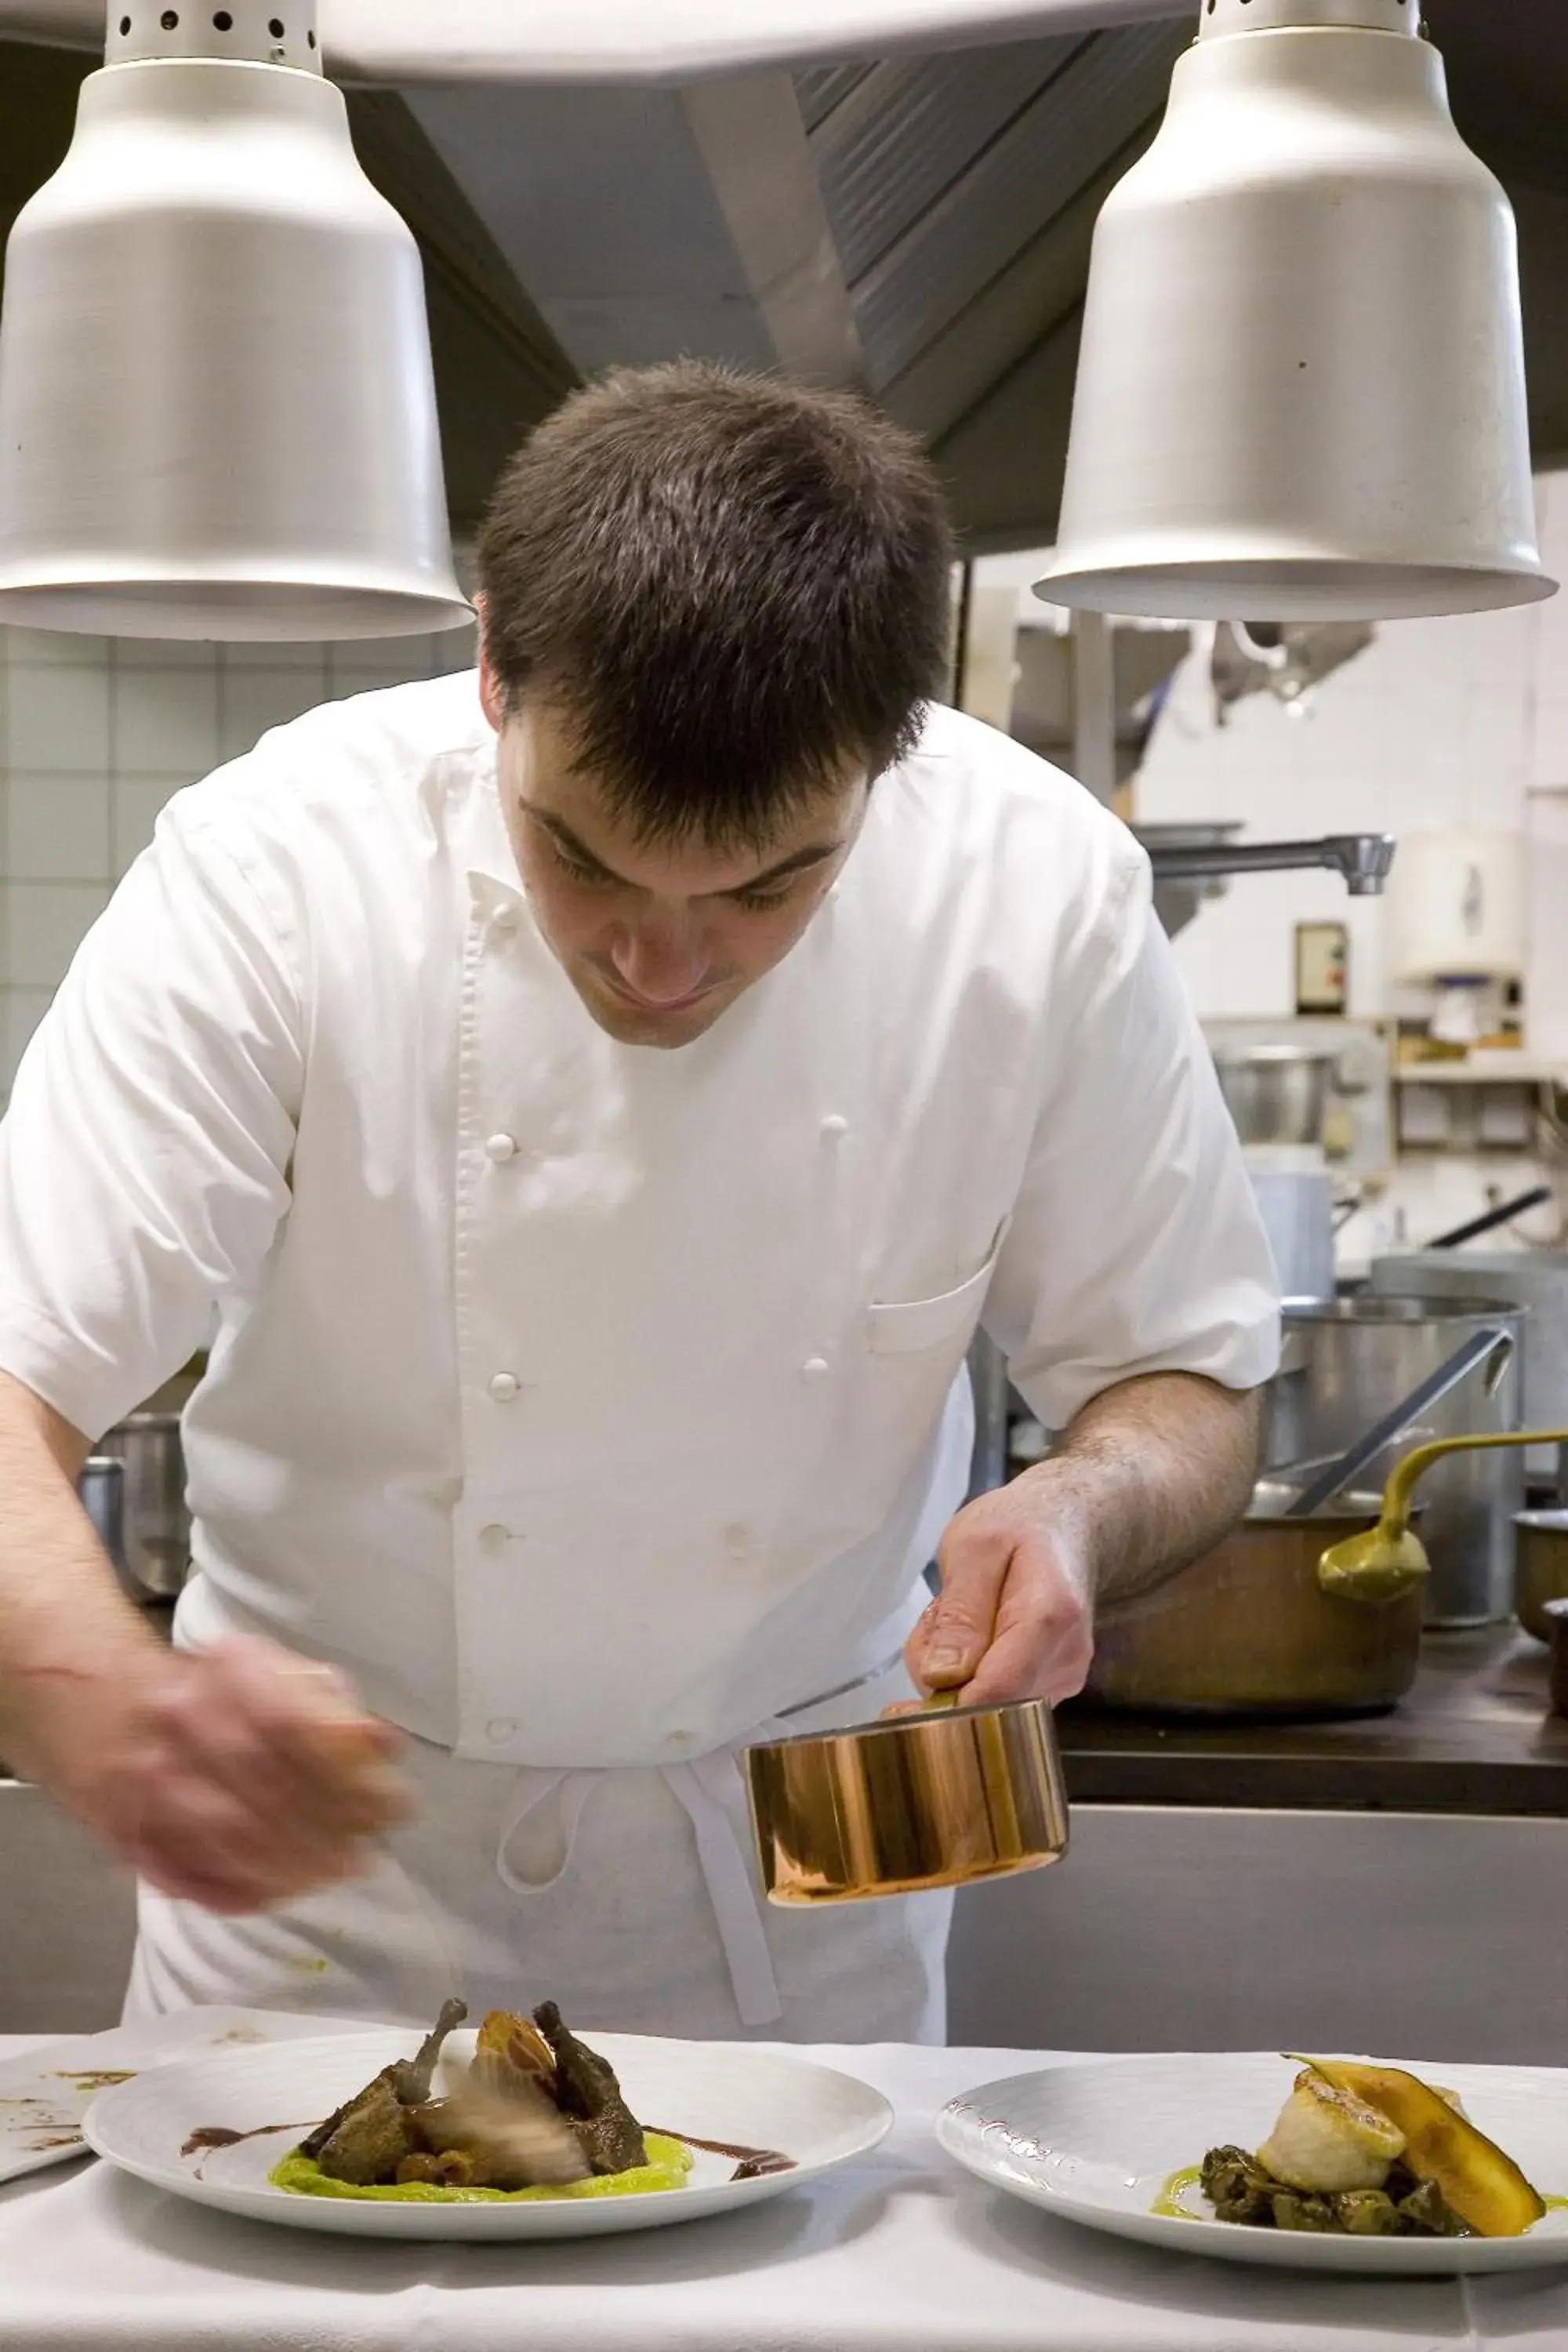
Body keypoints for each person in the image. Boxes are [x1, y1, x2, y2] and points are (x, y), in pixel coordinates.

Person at [0, 361, 1278, 2042]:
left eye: (767, 885)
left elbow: (1185, 1383)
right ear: (488, 673)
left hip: (797, 1899)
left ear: (892, 763)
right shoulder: (275, 867)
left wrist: (1085, 1510)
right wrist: (102, 1701)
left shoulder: (1036, 895)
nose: (666, 968)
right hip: (329, 1902)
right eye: (584, 859)